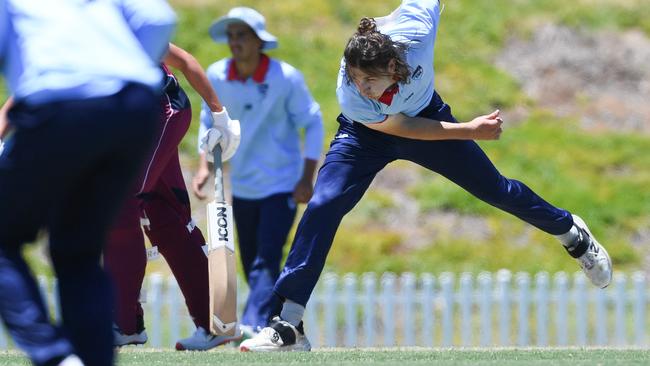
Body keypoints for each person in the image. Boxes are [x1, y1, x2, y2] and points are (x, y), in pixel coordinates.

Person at [240, 0, 612, 352]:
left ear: (393, 67)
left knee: (496, 190)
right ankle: (289, 324)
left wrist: (465, 130)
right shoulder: (352, 95)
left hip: (427, 114)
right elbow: (403, 128)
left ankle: (571, 233)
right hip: (366, 134)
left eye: (368, 80)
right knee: (323, 204)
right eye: (355, 79)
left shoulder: (416, 30)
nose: (361, 87)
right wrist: (468, 129)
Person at [0, 0, 176, 365]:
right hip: (135, 110)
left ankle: (55, 357)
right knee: (78, 251)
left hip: (61, 111)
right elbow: (160, 18)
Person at [193, 7, 324, 338]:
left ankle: (251, 324)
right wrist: (204, 166)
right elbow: (209, 123)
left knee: (266, 258)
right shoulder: (218, 75)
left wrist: (307, 176)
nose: (235, 42)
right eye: (232, 35)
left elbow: (313, 121)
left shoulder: (285, 78)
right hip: (243, 186)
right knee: (253, 262)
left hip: (282, 184)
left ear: (259, 41)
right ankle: (283, 328)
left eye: (242, 35)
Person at [104, 43, 241, 351]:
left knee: (117, 210)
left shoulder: (116, 14)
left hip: (161, 110)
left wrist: (219, 115)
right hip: (124, 121)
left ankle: (125, 325)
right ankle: (214, 323)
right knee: (164, 217)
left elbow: (185, 62)